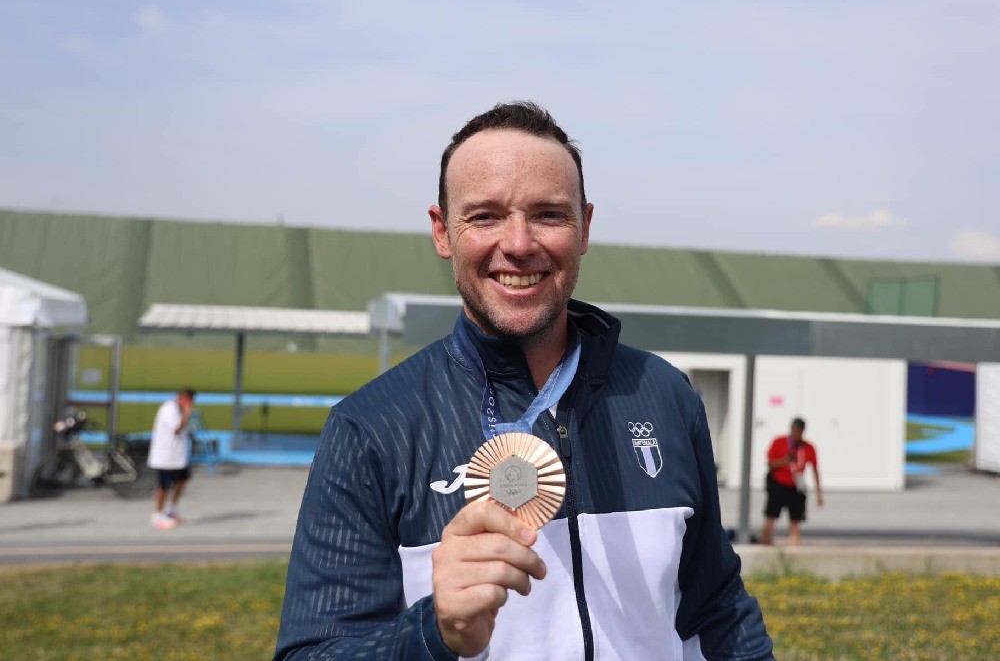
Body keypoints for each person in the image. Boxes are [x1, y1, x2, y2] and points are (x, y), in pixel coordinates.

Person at [275, 101, 774, 660]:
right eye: (485, 216)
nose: (518, 243)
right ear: (442, 231)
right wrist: (430, 633)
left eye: (548, 215)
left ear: (585, 226)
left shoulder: (664, 395)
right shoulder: (372, 428)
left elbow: (718, 608)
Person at [760, 417, 823, 547]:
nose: (796, 434)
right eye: (795, 430)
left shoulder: (808, 447)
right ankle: (765, 545)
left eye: (799, 431)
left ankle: (794, 549)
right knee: (770, 518)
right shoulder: (779, 442)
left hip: (796, 487)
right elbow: (770, 463)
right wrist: (786, 460)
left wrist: (819, 493)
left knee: (795, 521)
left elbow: (815, 470)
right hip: (778, 484)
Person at [147, 388, 197, 530]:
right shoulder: (169, 409)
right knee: (164, 486)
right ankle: (157, 514)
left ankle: (172, 509)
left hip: (179, 456)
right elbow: (176, 429)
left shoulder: (178, 410)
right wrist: (187, 414)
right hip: (165, 457)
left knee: (182, 481)